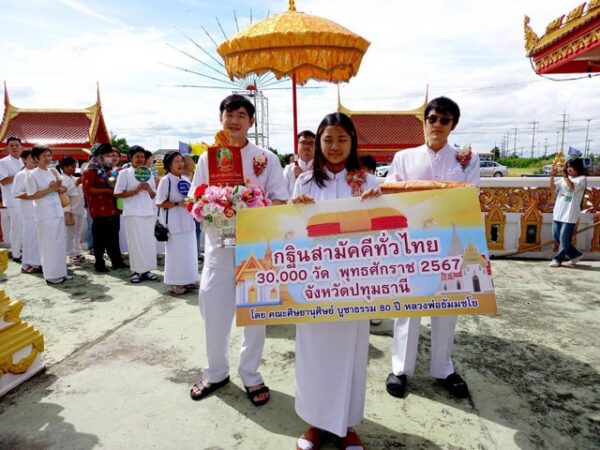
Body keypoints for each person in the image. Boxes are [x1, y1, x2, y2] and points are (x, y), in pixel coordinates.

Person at [189, 94, 288, 406]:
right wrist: (214, 208)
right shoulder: (208, 158)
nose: (235, 120)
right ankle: (216, 371)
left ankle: (250, 373)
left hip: (256, 248)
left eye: (242, 115)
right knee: (213, 309)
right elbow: (194, 199)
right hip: (219, 247)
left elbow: (280, 200)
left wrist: (249, 202)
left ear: (251, 121)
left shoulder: (267, 158)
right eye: (229, 114)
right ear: (221, 118)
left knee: (254, 314)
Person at [291, 112, 380, 450]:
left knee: (351, 356)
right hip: (315, 284)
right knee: (315, 353)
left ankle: (346, 426)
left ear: (353, 141)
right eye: (328, 139)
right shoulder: (304, 183)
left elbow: (384, 235)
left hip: (354, 286)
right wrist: (294, 208)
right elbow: (291, 233)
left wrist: (379, 206)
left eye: (342, 139)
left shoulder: (370, 183)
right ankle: (316, 423)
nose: (335, 146)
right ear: (318, 143)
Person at [384, 96, 479, 400]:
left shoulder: (466, 158)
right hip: (413, 244)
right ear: (424, 121)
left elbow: (469, 197)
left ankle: (443, 368)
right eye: (433, 118)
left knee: (448, 307)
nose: (437, 125)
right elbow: (390, 196)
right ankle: (400, 368)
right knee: (408, 307)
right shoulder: (404, 157)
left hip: (451, 242)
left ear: (453, 125)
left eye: (445, 120)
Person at [25, 145, 72, 284]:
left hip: (56, 210)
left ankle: (62, 272)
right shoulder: (31, 175)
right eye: (44, 156)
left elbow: (62, 188)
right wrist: (50, 189)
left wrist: (58, 188)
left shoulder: (52, 171)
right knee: (48, 245)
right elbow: (32, 195)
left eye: (49, 155)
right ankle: (51, 276)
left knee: (59, 243)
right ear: (36, 158)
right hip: (44, 214)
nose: (47, 158)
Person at [155, 151, 199, 294]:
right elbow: (159, 203)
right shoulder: (165, 180)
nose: (180, 164)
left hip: (188, 222)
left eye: (181, 161)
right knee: (176, 254)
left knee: (189, 252)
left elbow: (191, 198)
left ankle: (189, 279)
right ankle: (175, 282)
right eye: (176, 161)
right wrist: (177, 203)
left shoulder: (185, 179)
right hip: (173, 224)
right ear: (169, 165)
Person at [114, 145, 158, 283]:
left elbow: (153, 195)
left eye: (142, 157)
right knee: (135, 243)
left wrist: (149, 188)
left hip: (148, 212)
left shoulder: (148, 172)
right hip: (132, 213)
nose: (140, 159)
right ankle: (136, 271)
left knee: (148, 242)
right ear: (130, 158)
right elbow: (117, 193)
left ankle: (147, 270)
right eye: (137, 156)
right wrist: (136, 190)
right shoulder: (124, 173)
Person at [82, 143, 127, 272]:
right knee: (100, 238)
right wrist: (107, 191)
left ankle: (117, 261)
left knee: (113, 236)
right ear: (100, 155)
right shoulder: (91, 170)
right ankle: (99, 263)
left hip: (113, 208)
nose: (110, 157)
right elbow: (87, 189)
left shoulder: (107, 169)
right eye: (107, 155)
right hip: (99, 210)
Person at [549, 157, 587, 267]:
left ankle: (558, 259)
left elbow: (572, 187)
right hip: (558, 211)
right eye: (568, 166)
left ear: (578, 168)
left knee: (564, 238)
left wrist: (564, 175)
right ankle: (576, 255)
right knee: (557, 236)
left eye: (572, 167)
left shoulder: (582, 179)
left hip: (570, 213)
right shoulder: (565, 179)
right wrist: (552, 175)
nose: (569, 169)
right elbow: (552, 188)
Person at [12, 150, 42, 273]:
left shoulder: (40, 173)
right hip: (29, 211)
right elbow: (16, 193)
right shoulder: (20, 175)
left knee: (39, 238)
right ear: (24, 160)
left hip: (41, 210)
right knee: (30, 237)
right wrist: (33, 196)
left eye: (35, 158)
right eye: (31, 158)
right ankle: (28, 264)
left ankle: (39, 262)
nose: (34, 160)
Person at [0, 137, 25, 262]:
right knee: (16, 227)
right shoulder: (3, 162)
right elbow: (4, 180)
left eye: (17, 145)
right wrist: (22, 174)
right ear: (7, 148)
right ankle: (15, 253)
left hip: (27, 199)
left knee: (26, 227)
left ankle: (24, 250)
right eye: (12, 145)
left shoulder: (24, 161)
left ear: (22, 147)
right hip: (13, 200)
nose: (15, 148)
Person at [59, 157, 85, 264]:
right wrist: (77, 183)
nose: (74, 169)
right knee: (70, 234)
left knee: (78, 233)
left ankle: (78, 252)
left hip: (79, 209)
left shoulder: (73, 178)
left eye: (75, 166)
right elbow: (64, 194)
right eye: (72, 166)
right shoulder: (62, 179)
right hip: (70, 210)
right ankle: (71, 255)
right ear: (64, 167)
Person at [283, 131, 316, 196]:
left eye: (311, 143)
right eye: (303, 143)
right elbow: (282, 195)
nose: (307, 146)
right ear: (297, 146)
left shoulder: (322, 170)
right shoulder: (289, 169)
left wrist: (303, 175)